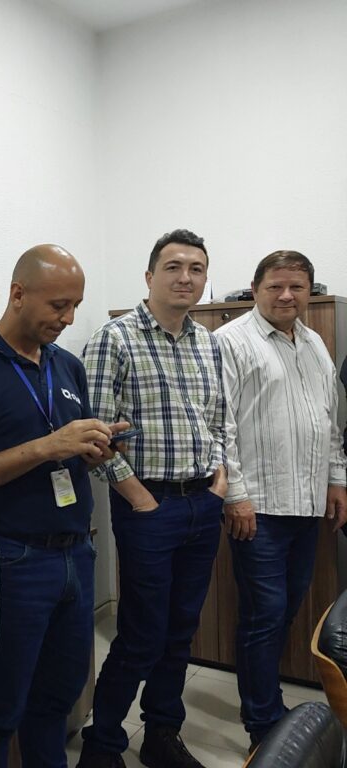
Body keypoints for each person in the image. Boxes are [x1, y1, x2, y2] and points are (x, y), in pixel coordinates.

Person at [0, 245, 126, 768]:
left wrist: (95, 447)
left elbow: (71, 450)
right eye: (58, 305)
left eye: (75, 306)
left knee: (57, 698)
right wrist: (50, 446)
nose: (68, 318)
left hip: (76, 553)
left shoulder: (66, 365)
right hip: (15, 559)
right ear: (17, 294)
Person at [78, 229, 227, 768]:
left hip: (202, 503)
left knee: (181, 630)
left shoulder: (208, 342)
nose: (185, 277)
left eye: (196, 269)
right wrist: (139, 498)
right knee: (142, 634)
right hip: (150, 507)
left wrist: (220, 480)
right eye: (173, 267)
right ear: (149, 276)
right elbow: (94, 436)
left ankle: (162, 733)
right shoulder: (115, 339)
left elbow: (218, 421)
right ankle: (103, 744)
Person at [215, 250, 347, 749]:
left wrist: (336, 481)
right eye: (275, 286)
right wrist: (236, 496)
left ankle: (266, 703)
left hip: (307, 504)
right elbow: (221, 427)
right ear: (255, 290)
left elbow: (328, 422)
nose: (287, 296)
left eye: (297, 287)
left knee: (286, 609)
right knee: (264, 614)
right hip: (259, 508)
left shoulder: (314, 344)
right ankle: (263, 723)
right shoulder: (231, 341)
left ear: (310, 291)